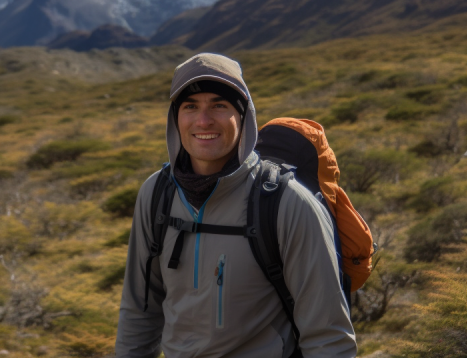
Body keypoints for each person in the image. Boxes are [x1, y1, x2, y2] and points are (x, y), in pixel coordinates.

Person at [114, 53, 357, 358]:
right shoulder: (156, 194)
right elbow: (139, 313)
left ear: (243, 116)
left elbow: (328, 339)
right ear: (175, 118)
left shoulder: (288, 203)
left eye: (219, 105)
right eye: (190, 106)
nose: (204, 120)